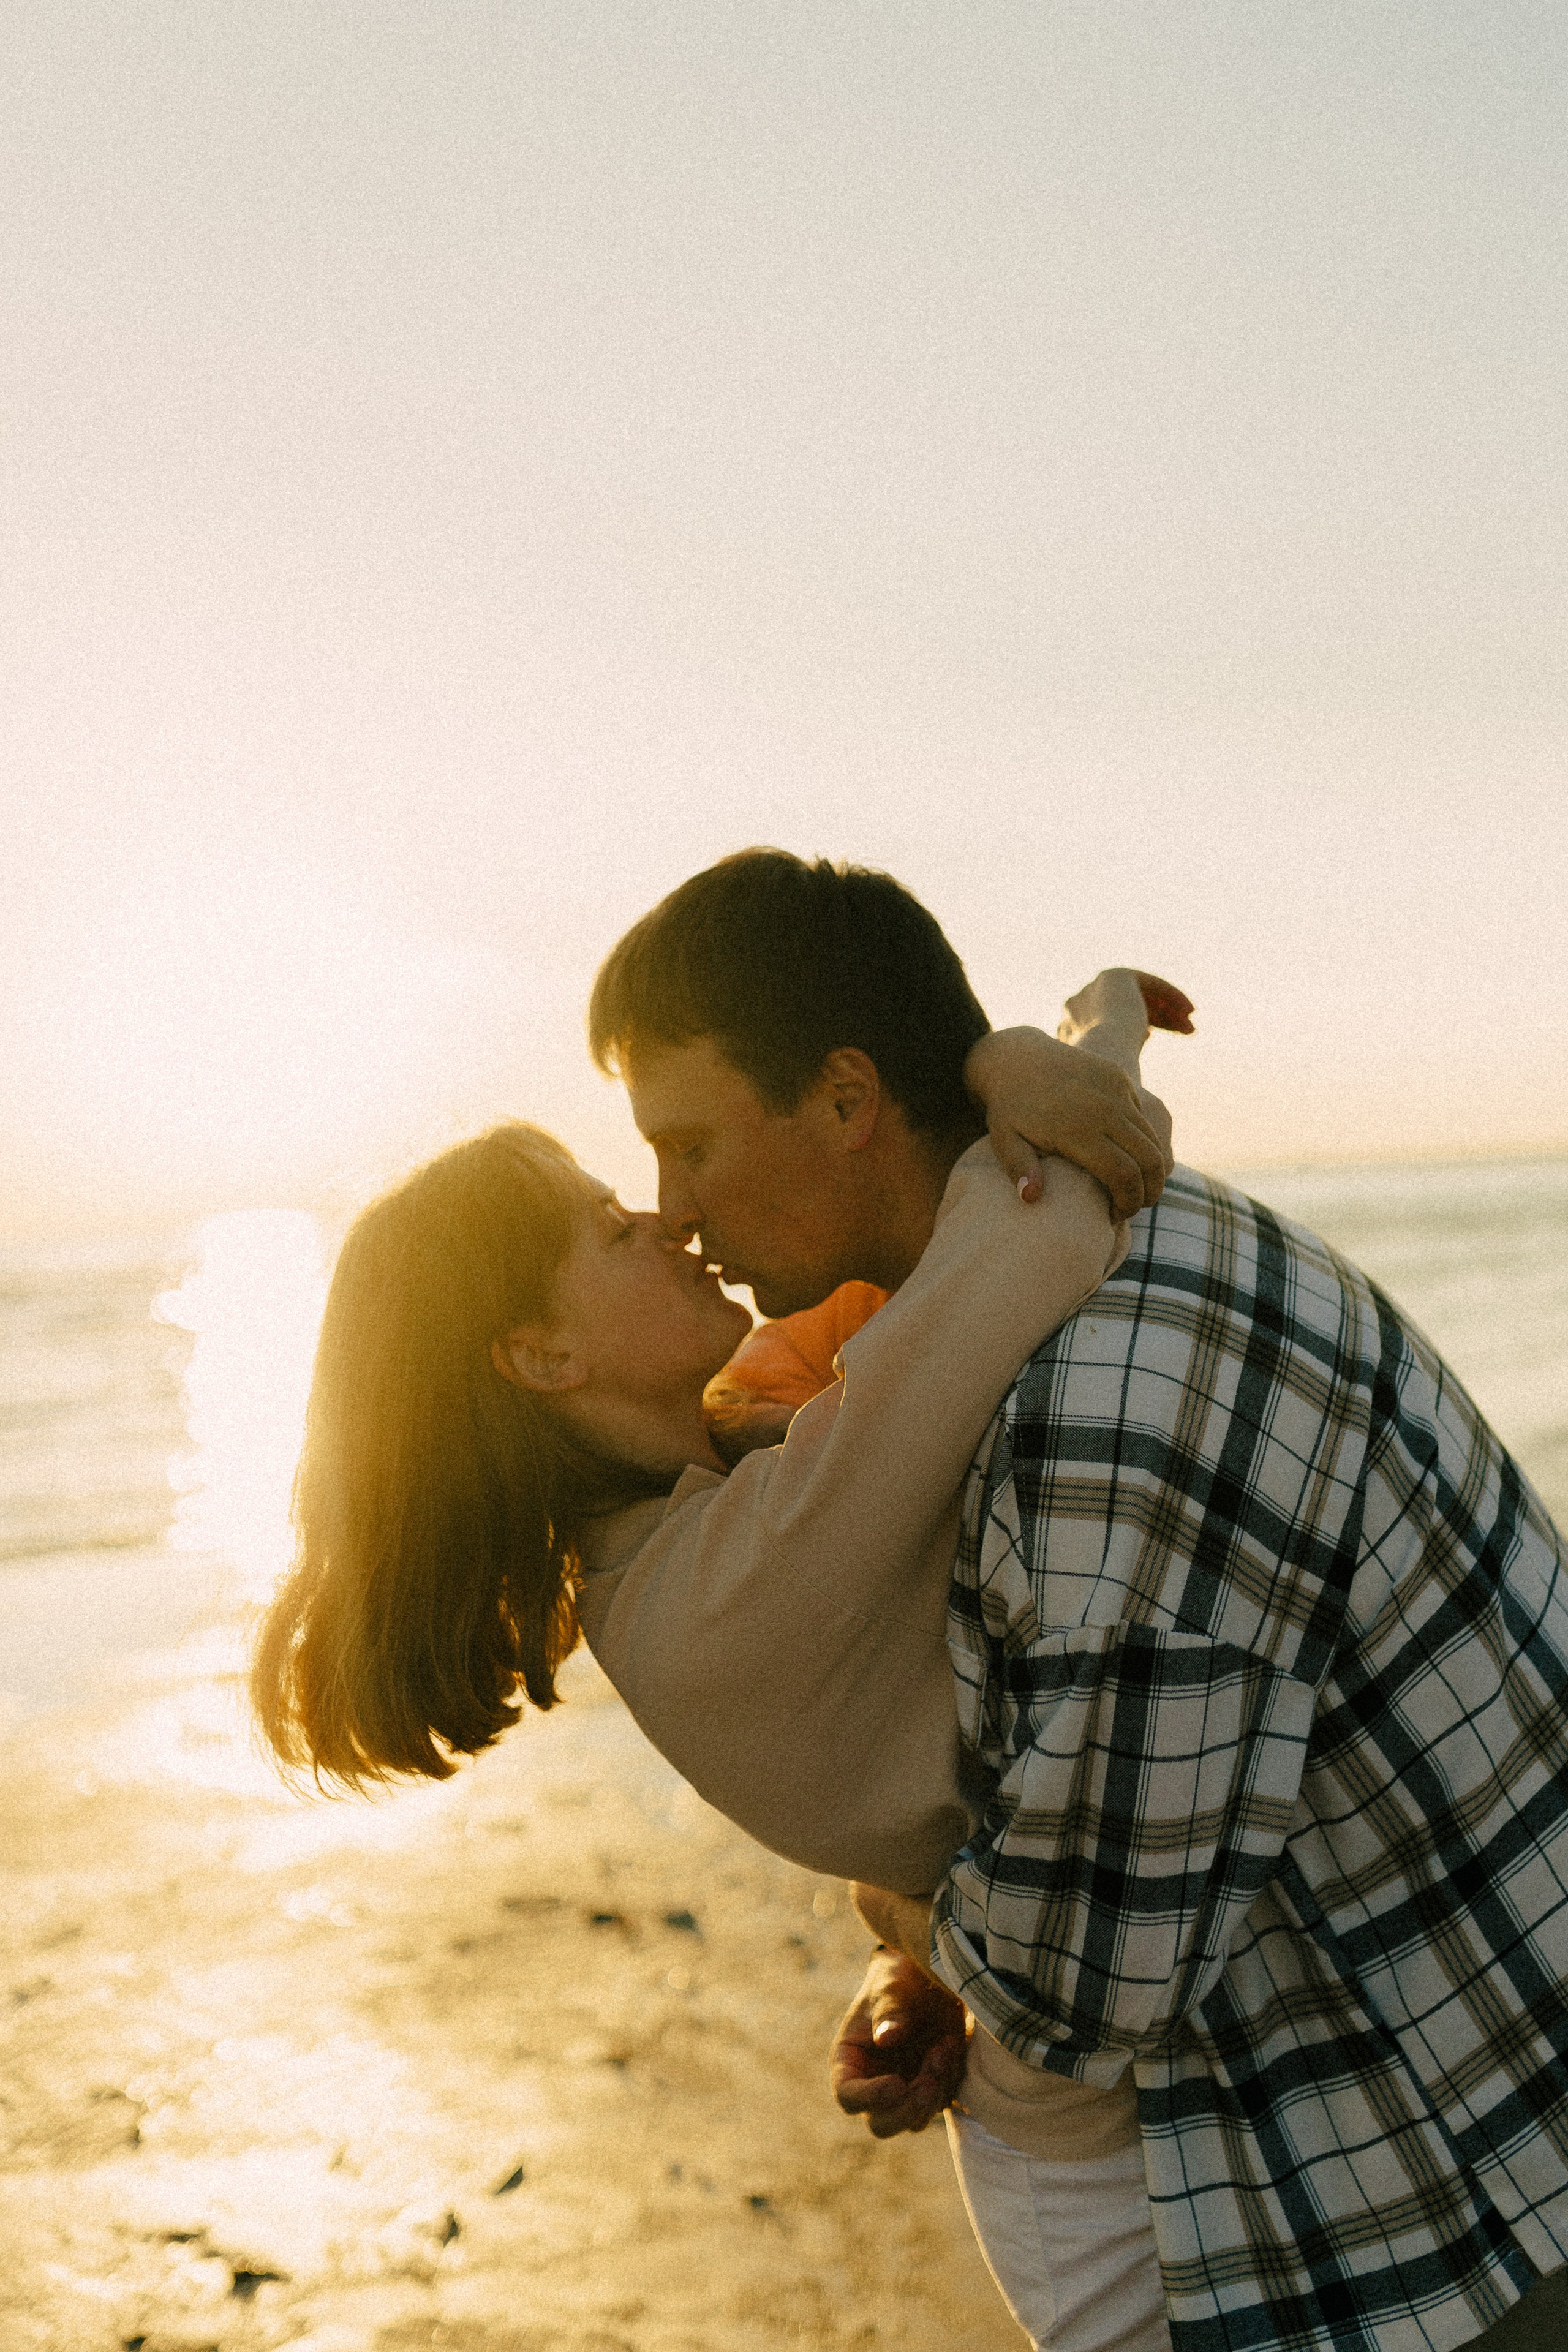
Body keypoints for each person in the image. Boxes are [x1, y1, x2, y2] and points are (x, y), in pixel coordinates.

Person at [586, 851, 1568, 2352]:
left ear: (847, 1102)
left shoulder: (1101, 1402)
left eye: (691, 1143)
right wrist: (907, 1960)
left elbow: (1077, 1992)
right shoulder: (1038, 1265)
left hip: (1480, 2187)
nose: (672, 1209)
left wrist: (905, 1914)